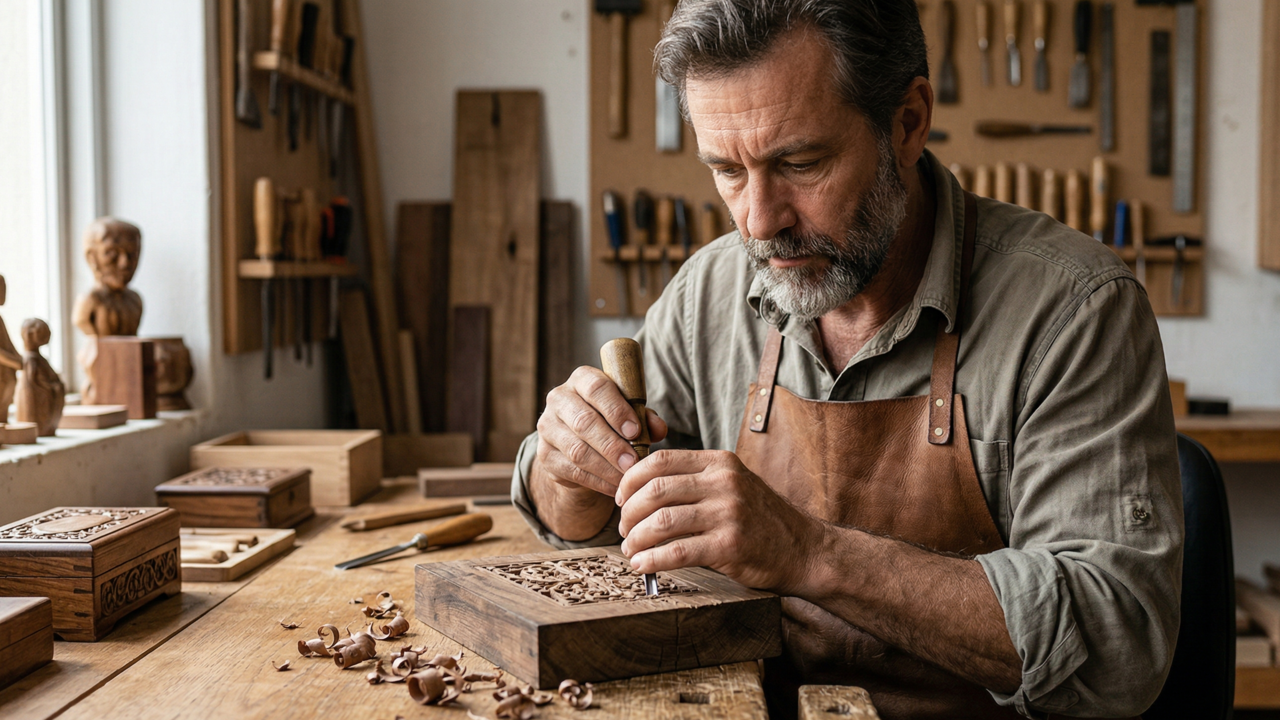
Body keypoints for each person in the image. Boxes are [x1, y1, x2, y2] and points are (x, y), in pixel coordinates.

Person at [514, 1, 1182, 717]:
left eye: (798, 163)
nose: (759, 221)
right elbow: (567, 521)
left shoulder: (1073, 311)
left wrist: (809, 554)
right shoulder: (711, 290)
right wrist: (569, 473)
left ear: (907, 123)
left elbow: (1118, 651)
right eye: (728, 172)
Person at [73, 217, 143, 403]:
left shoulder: (134, 301)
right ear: (92, 257)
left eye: (132, 255)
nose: (124, 264)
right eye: (112, 254)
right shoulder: (90, 300)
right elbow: (82, 323)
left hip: (130, 386)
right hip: (101, 384)